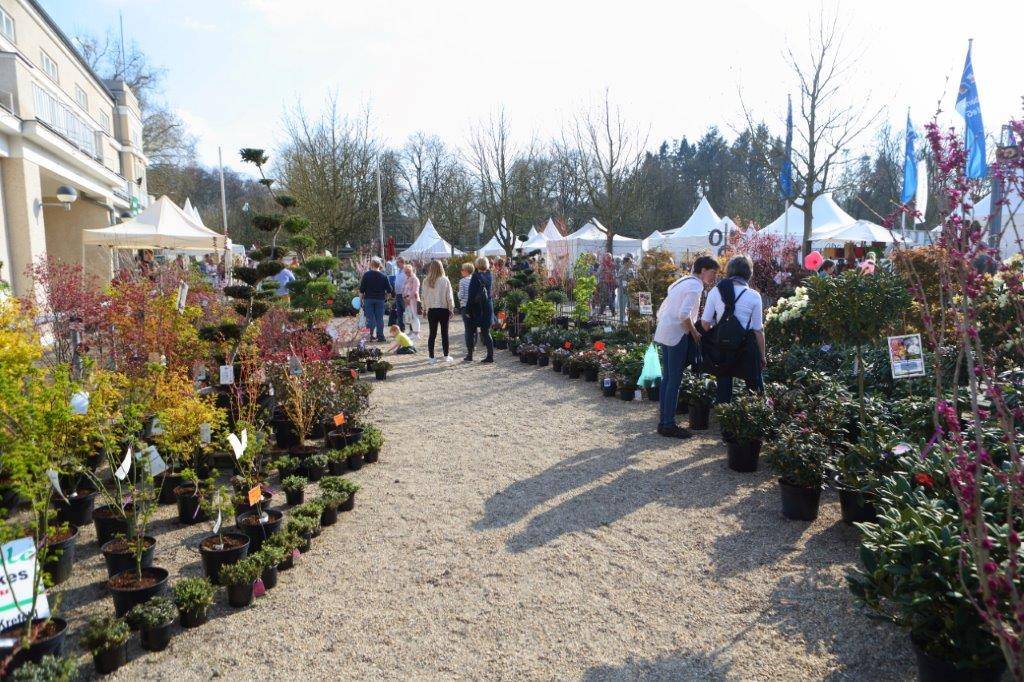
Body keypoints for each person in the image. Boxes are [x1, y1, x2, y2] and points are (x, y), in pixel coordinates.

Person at [653, 256, 720, 439]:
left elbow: (664, 309)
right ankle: (668, 424)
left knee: (667, 379)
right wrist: (695, 332)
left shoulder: (681, 281)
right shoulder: (695, 285)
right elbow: (684, 314)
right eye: (713, 272)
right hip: (677, 334)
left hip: (665, 331)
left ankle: (664, 421)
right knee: (674, 380)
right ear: (703, 270)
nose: (714, 277)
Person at [700, 255, 766, 404]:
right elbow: (758, 330)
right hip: (747, 345)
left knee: (724, 384)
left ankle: (724, 415)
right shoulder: (754, 296)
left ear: (729, 271)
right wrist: (762, 355)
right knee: (754, 386)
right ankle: (757, 413)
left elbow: (705, 323)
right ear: (749, 273)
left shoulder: (715, 291)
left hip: (723, 345)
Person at [421, 259, 455, 364]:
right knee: (445, 333)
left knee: (432, 334)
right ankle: (446, 355)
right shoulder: (445, 280)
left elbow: (423, 296)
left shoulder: (426, 280)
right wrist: (451, 308)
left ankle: (431, 357)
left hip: (431, 310)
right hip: (443, 309)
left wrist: (424, 309)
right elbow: (449, 296)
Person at [466, 256, 495, 363]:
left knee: (471, 331)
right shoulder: (489, 275)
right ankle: (490, 356)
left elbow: (471, 295)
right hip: (487, 305)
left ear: (477, 264)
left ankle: (470, 355)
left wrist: (468, 310)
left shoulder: (475, 276)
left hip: (477, 307)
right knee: (486, 332)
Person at [359, 257, 394, 342]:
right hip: (380, 299)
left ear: (371, 265)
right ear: (379, 265)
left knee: (369, 319)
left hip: (369, 299)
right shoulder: (383, 276)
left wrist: (361, 300)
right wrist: (386, 297)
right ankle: (380, 336)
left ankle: (369, 336)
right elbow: (390, 290)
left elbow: (361, 290)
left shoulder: (366, 275)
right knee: (379, 319)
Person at [458, 263, 476, 362]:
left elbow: (461, 295)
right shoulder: (475, 279)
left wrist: (457, 294)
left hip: (465, 306)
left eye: (462, 270)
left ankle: (470, 353)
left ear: (466, 271)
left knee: (468, 330)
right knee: (474, 329)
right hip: (475, 307)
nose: (461, 271)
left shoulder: (462, 281)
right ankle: (473, 346)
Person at [401, 263, 421, 338]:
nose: (407, 273)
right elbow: (403, 289)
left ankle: (416, 333)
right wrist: (404, 298)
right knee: (409, 316)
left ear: (411, 271)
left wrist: (408, 299)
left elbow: (415, 290)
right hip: (407, 300)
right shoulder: (407, 279)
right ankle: (412, 332)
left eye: (408, 271)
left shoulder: (415, 279)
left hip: (413, 300)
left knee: (414, 316)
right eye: (406, 272)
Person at [616, 253, 637, 323]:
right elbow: (619, 280)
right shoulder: (621, 270)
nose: (631, 263)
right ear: (626, 263)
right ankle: (622, 321)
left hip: (630, 290)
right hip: (623, 291)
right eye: (630, 262)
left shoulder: (631, 270)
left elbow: (633, 279)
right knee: (623, 306)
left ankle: (631, 319)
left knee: (631, 305)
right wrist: (626, 282)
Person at [391, 256, 407, 330]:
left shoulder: (406, 270)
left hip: (405, 294)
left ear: (403, 262)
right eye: (396, 262)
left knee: (407, 312)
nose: (397, 264)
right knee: (399, 312)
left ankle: (412, 329)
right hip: (398, 294)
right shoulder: (398, 271)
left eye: (398, 262)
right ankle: (401, 328)